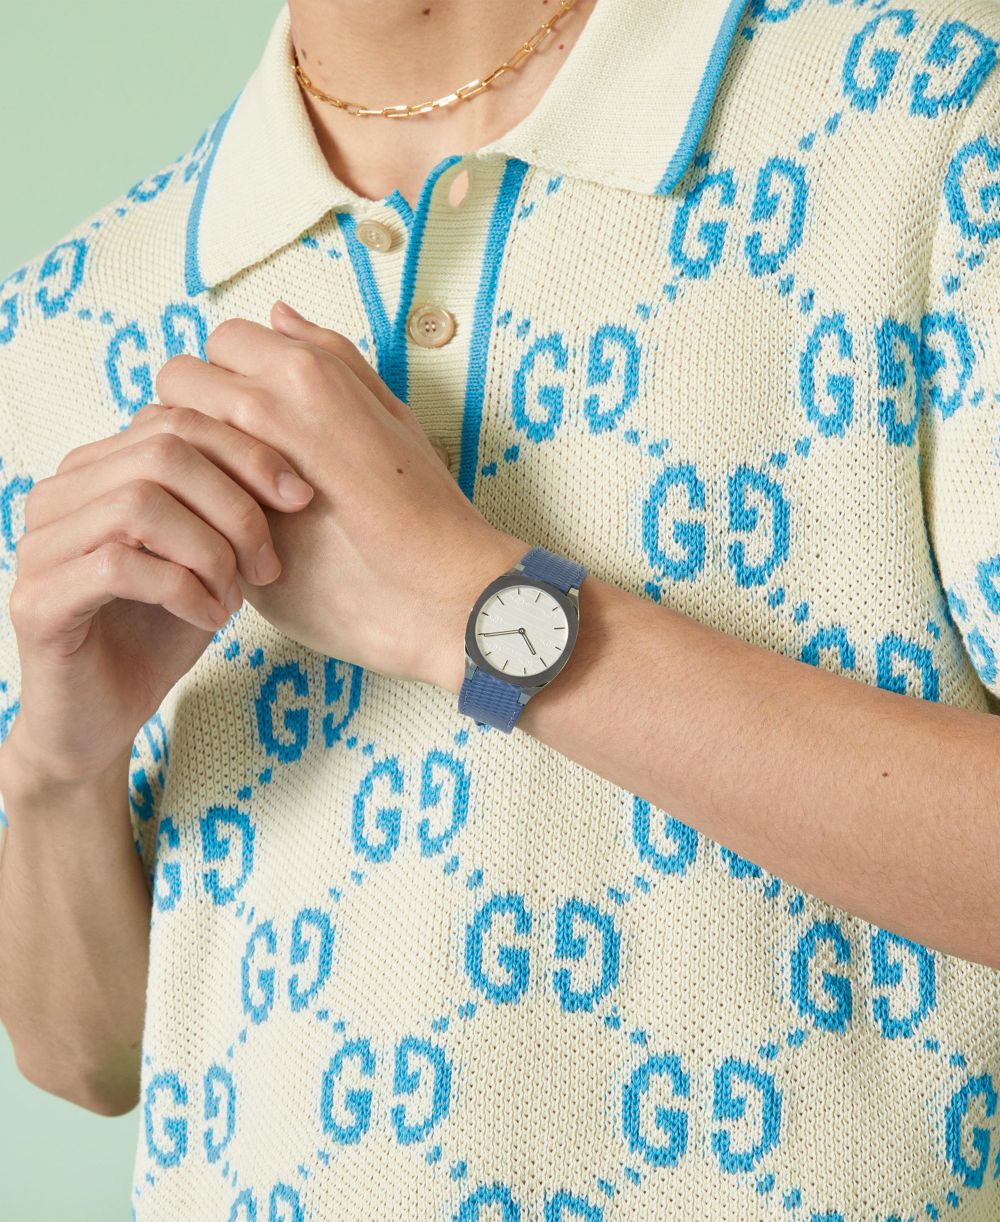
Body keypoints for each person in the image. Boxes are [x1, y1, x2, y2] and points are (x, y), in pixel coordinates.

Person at [0, 0, 998, 1216]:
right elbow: (89, 1058)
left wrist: (472, 608)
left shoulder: (934, 109)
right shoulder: (55, 324)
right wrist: (60, 770)